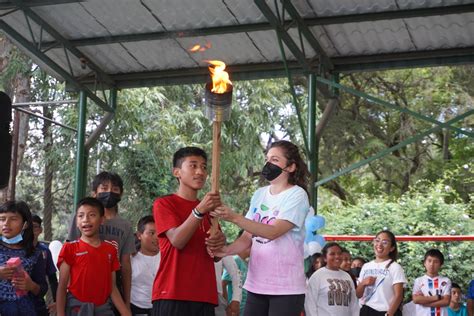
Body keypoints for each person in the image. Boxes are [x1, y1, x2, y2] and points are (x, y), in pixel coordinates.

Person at [211, 140, 311, 316]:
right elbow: (246, 238)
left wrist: (233, 217)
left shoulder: (297, 195)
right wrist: (224, 251)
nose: (268, 164)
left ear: (291, 167)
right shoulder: (259, 194)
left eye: (274, 160)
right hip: (257, 283)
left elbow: (273, 232)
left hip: (285, 288)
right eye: (267, 159)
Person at [152, 146, 225, 316]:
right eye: (193, 166)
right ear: (177, 172)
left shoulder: (210, 210)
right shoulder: (164, 203)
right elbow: (178, 240)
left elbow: (217, 255)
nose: (200, 171)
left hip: (204, 295)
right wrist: (199, 210)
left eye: (204, 167)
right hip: (172, 293)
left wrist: (219, 242)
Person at [68, 172, 135, 309]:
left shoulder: (126, 225)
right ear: (94, 193)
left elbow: (126, 265)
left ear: (121, 194)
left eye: (115, 189)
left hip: (113, 284)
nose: (109, 192)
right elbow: (69, 258)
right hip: (83, 283)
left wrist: (126, 302)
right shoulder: (81, 219)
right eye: (104, 188)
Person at [57, 197, 130, 316]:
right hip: (77, 307)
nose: (85, 220)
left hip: (104, 308)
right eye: (81, 216)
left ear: (102, 220)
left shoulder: (110, 250)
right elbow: (62, 285)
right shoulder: (69, 248)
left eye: (92, 215)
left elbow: (112, 286)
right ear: (76, 221)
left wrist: (125, 312)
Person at [0, 200, 48, 315]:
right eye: (2, 219)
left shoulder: (35, 253)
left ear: (25, 224)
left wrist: (31, 286)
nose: (6, 223)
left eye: (13, 219)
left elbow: (42, 289)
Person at [356, 230, 406, 316]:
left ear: (392, 248)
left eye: (385, 242)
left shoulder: (395, 267)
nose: (379, 244)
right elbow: (358, 294)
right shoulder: (366, 266)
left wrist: (389, 314)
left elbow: (399, 296)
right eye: (377, 240)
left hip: (387, 312)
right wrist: (363, 283)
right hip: (367, 311)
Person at [304, 242, 358, 316]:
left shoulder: (347, 276)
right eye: (332, 254)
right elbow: (310, 303)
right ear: (325, 258)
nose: (337, 256)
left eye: (339, 253)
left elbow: (354, 303)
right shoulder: (317, 276)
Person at [130, 215, 160, 316]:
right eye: (151, 233)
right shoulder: (130, 259)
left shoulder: (168, 257)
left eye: (159, 233)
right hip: (136, 308)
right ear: (139, 235)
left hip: (161, 308)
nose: (156, 237)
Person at [32, 214, 58, 316]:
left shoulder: (44, 251)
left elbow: (52, 279)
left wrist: (57, 301)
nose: (31, 230)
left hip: (38, 302)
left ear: (40, 230)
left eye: (34, 226)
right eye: (27, 226)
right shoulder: (15, 249)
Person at [412, 249, 451, 316]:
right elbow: (416, 300)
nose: (432, 264)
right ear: (424, 263)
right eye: (429, 261)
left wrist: (425, 302)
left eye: (436, 262)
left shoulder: (446, 281)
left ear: (441, 264)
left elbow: (446, 301)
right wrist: (437, 297)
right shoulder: (418, 281)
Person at [222, 231, 250, 316]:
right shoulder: (235, 260)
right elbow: (223, 283)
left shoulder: (246, 263)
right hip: (236, 310)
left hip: (245, 309)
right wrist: (227, 306)